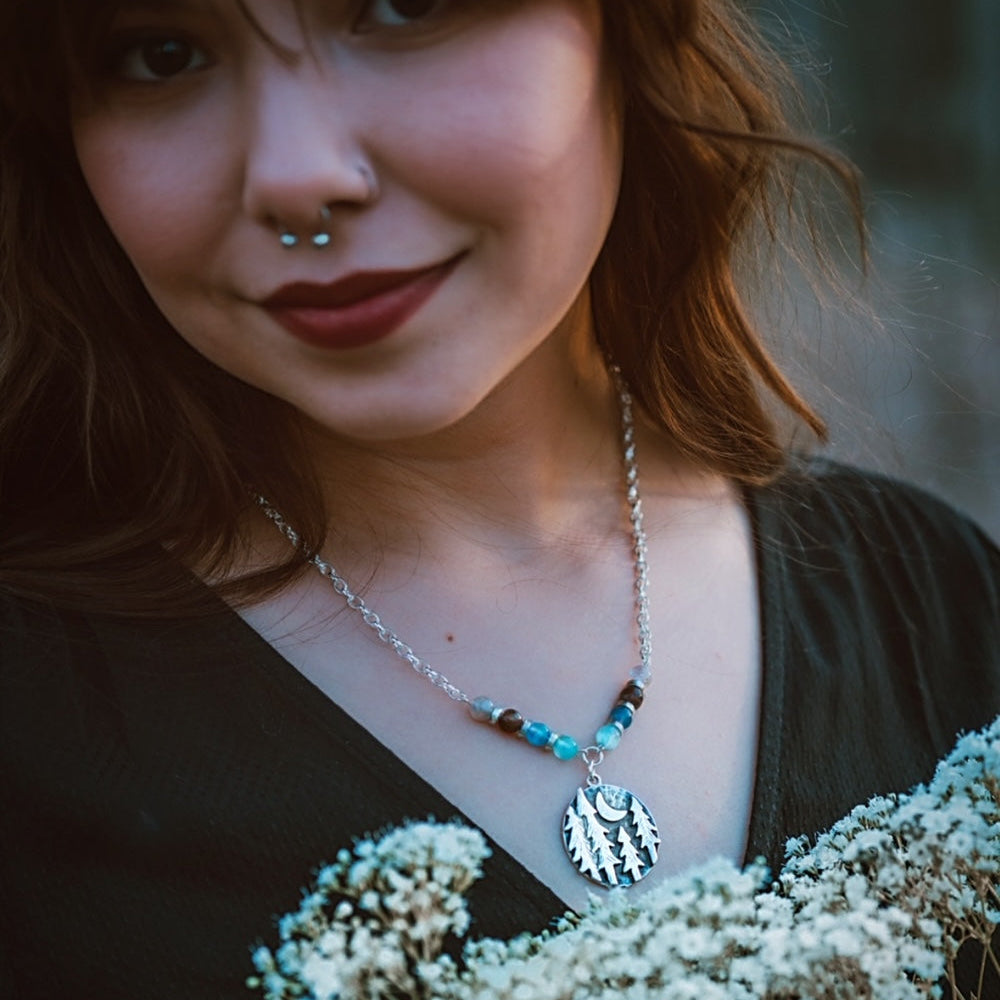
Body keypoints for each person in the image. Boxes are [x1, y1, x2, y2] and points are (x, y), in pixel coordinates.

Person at [0, 0, 997, 996]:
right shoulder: (37, 727)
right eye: (159, 53)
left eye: (403, 7)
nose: (295, 175)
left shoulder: (940, 612)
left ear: (624, 28)